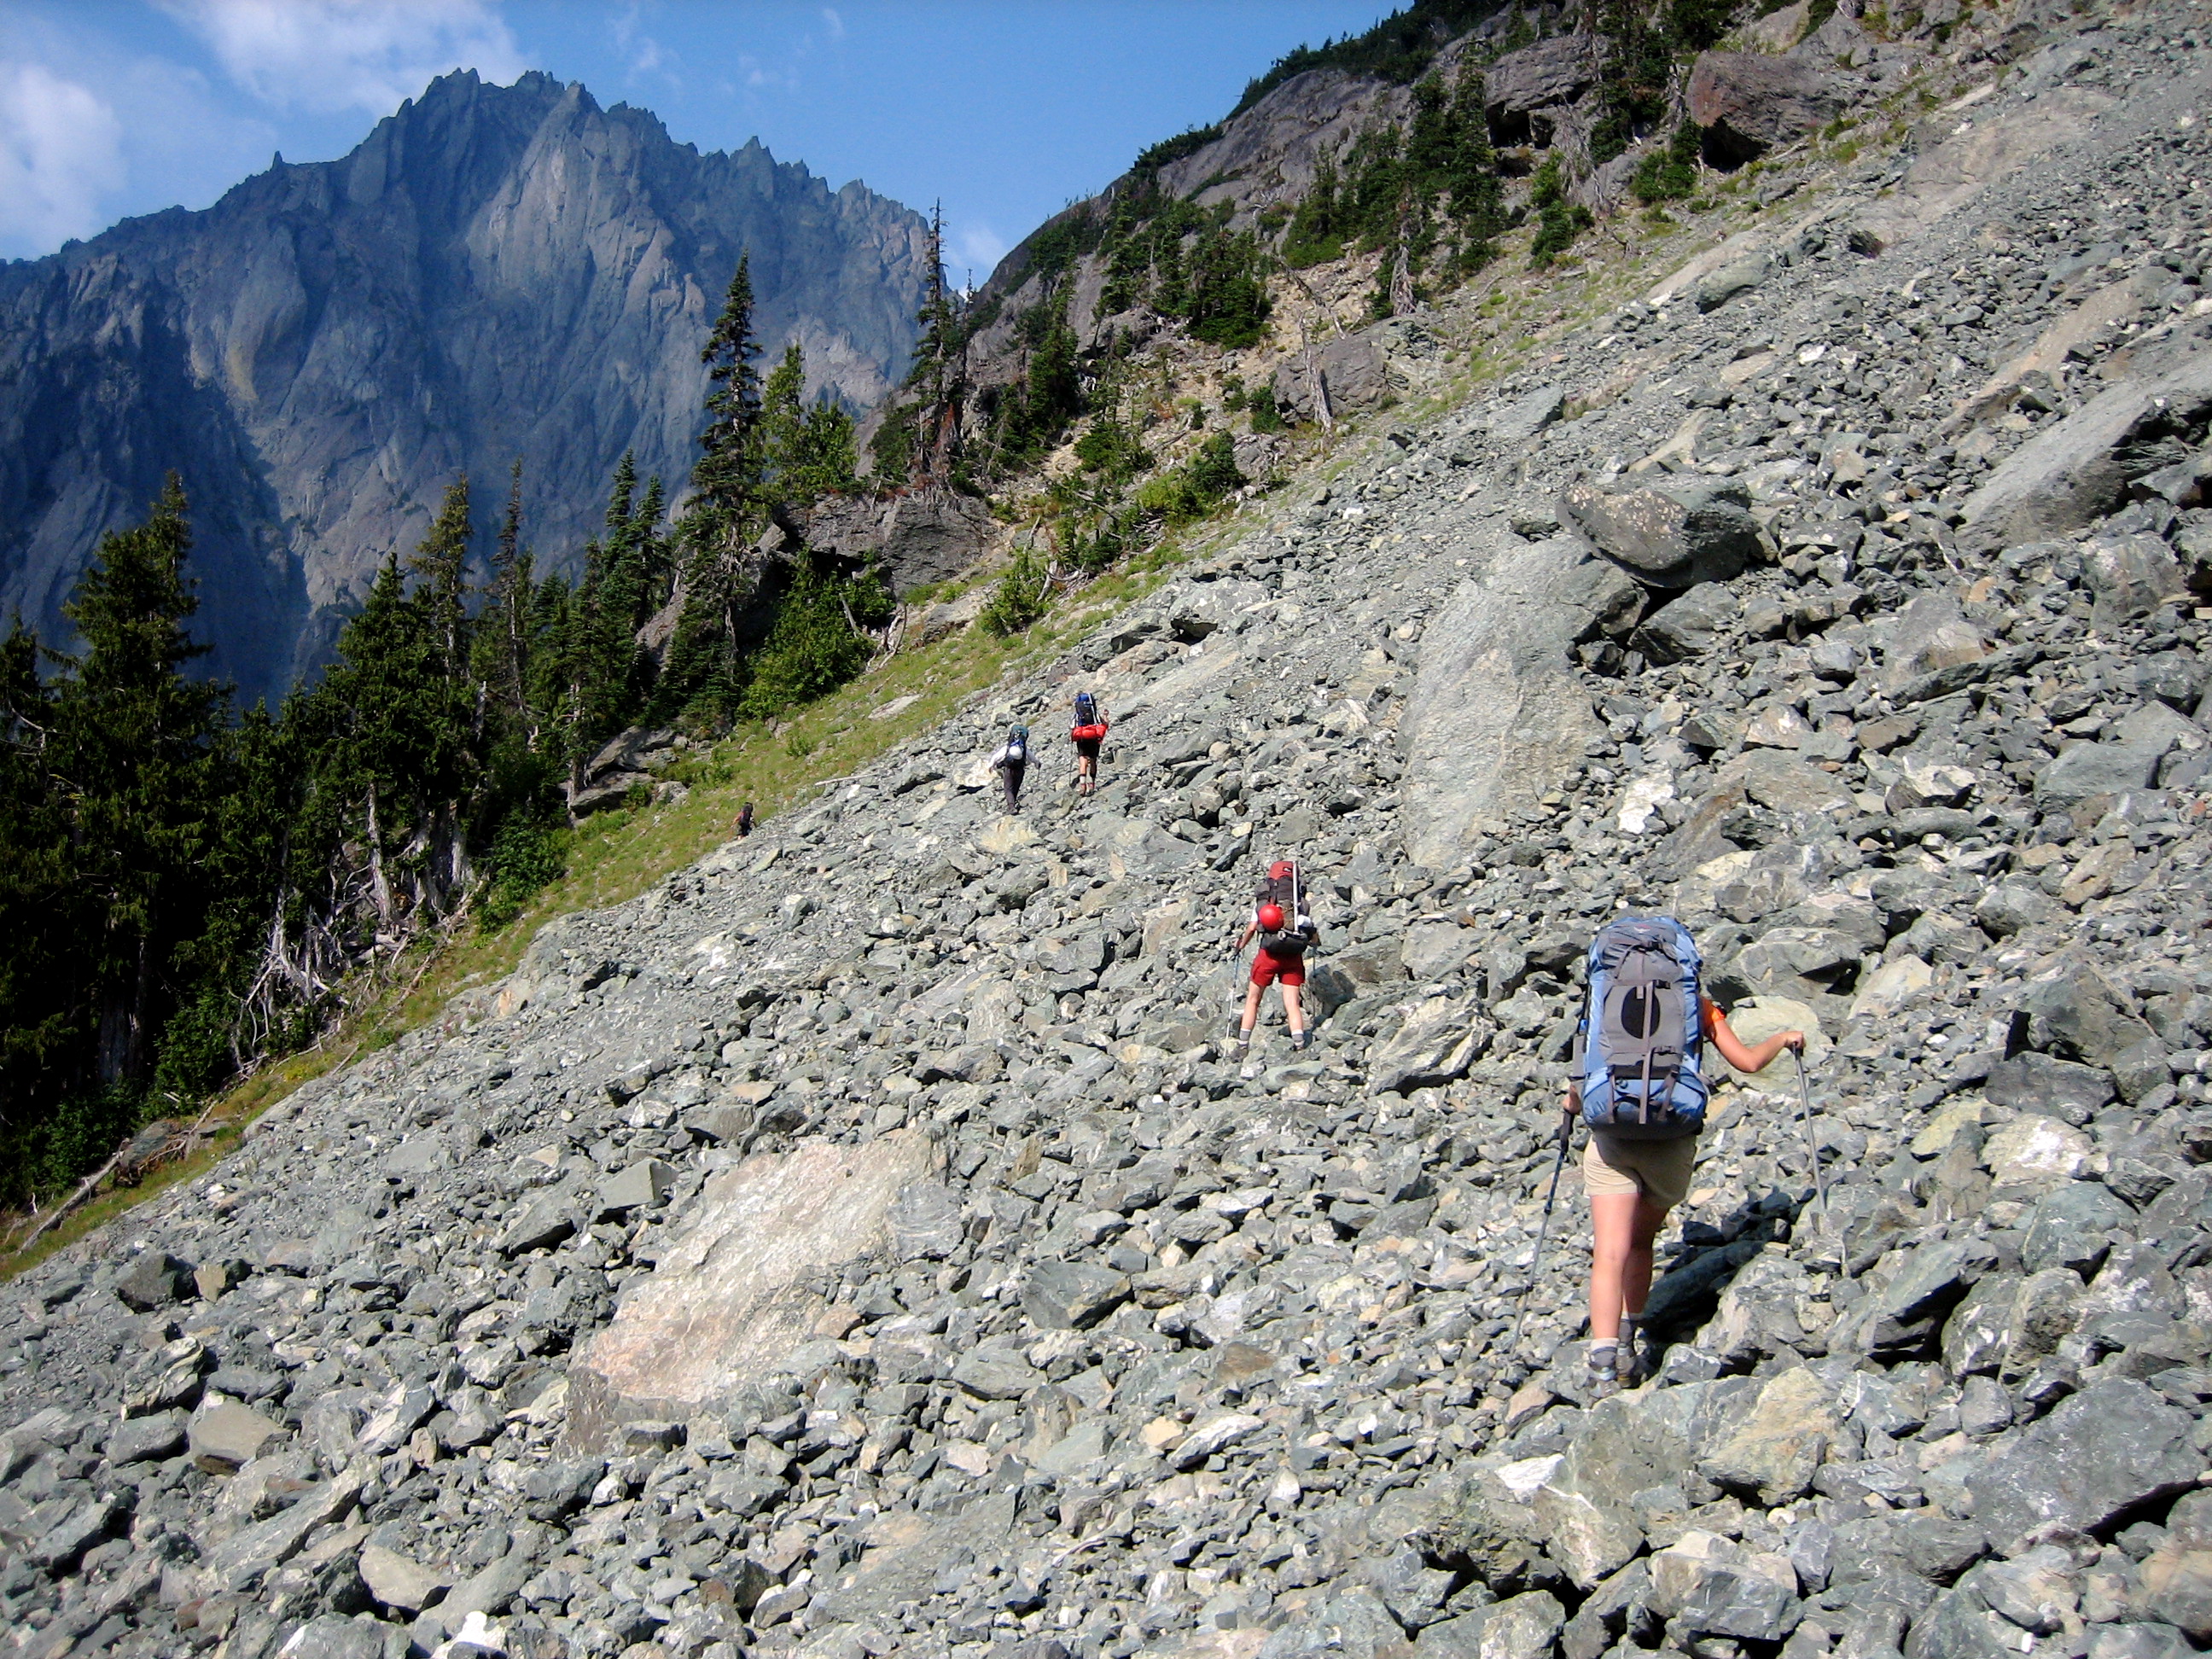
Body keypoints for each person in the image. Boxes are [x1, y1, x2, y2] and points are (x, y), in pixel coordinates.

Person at [1568, 979, 1802, 1396]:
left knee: (1609, 1250)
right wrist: (1783, 1039)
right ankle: (1628, 1344)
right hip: (1670, 1141)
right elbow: (1747, 1064)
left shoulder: (1608, 998)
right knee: (1640, 1242)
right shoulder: (1698, 1005)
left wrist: (1572, 1107)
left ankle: (1603, 1366)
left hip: (1612, 1136)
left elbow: (1583, 1075)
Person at [1230, 860, 1316, 1067]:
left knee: (1253, 1000)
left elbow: (1252, 928)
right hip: (1293, 955)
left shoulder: (1265, 899)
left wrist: (1240, 946)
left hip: (1268, 954)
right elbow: (1311, 933)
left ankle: (1242, 1046)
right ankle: (1300, 1044)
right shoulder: (1299, 901)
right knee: (1292, 1003)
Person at [1070, 690, 1109, 798]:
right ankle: (1091, 784)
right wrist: (1105, 716)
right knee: (1093, 761)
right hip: (1094, 739)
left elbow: (1072, 728)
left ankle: (1082, 786)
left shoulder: (1077, 716)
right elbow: (1105, 724)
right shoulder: (1095, 714)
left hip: (1082, 739)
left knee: (1082, 762)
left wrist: (1072, 738)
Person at [989, 724, 1029, 812]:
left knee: (1008, 788)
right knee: (1016, 786)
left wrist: (991, 765)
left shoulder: (1007, 748)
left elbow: (996, 757)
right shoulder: (1024, 748)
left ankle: (1011, 807)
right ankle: (1013, 803)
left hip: (1009, 770)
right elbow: (1032, 758)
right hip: (1020, 770)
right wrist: (1037, 764)